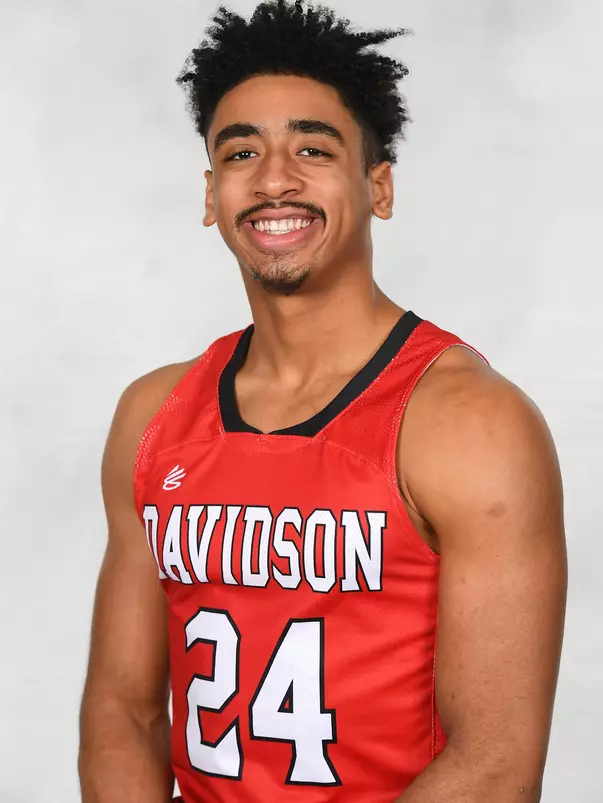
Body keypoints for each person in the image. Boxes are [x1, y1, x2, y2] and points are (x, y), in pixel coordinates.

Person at [78, 1, 567, 801]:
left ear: (377, 186)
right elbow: (124, 710)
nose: (273, 178)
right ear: (211, 195)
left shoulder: (469, 423)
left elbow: (494, 763)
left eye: (311, 147)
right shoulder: (152, 414)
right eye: (242, 152)